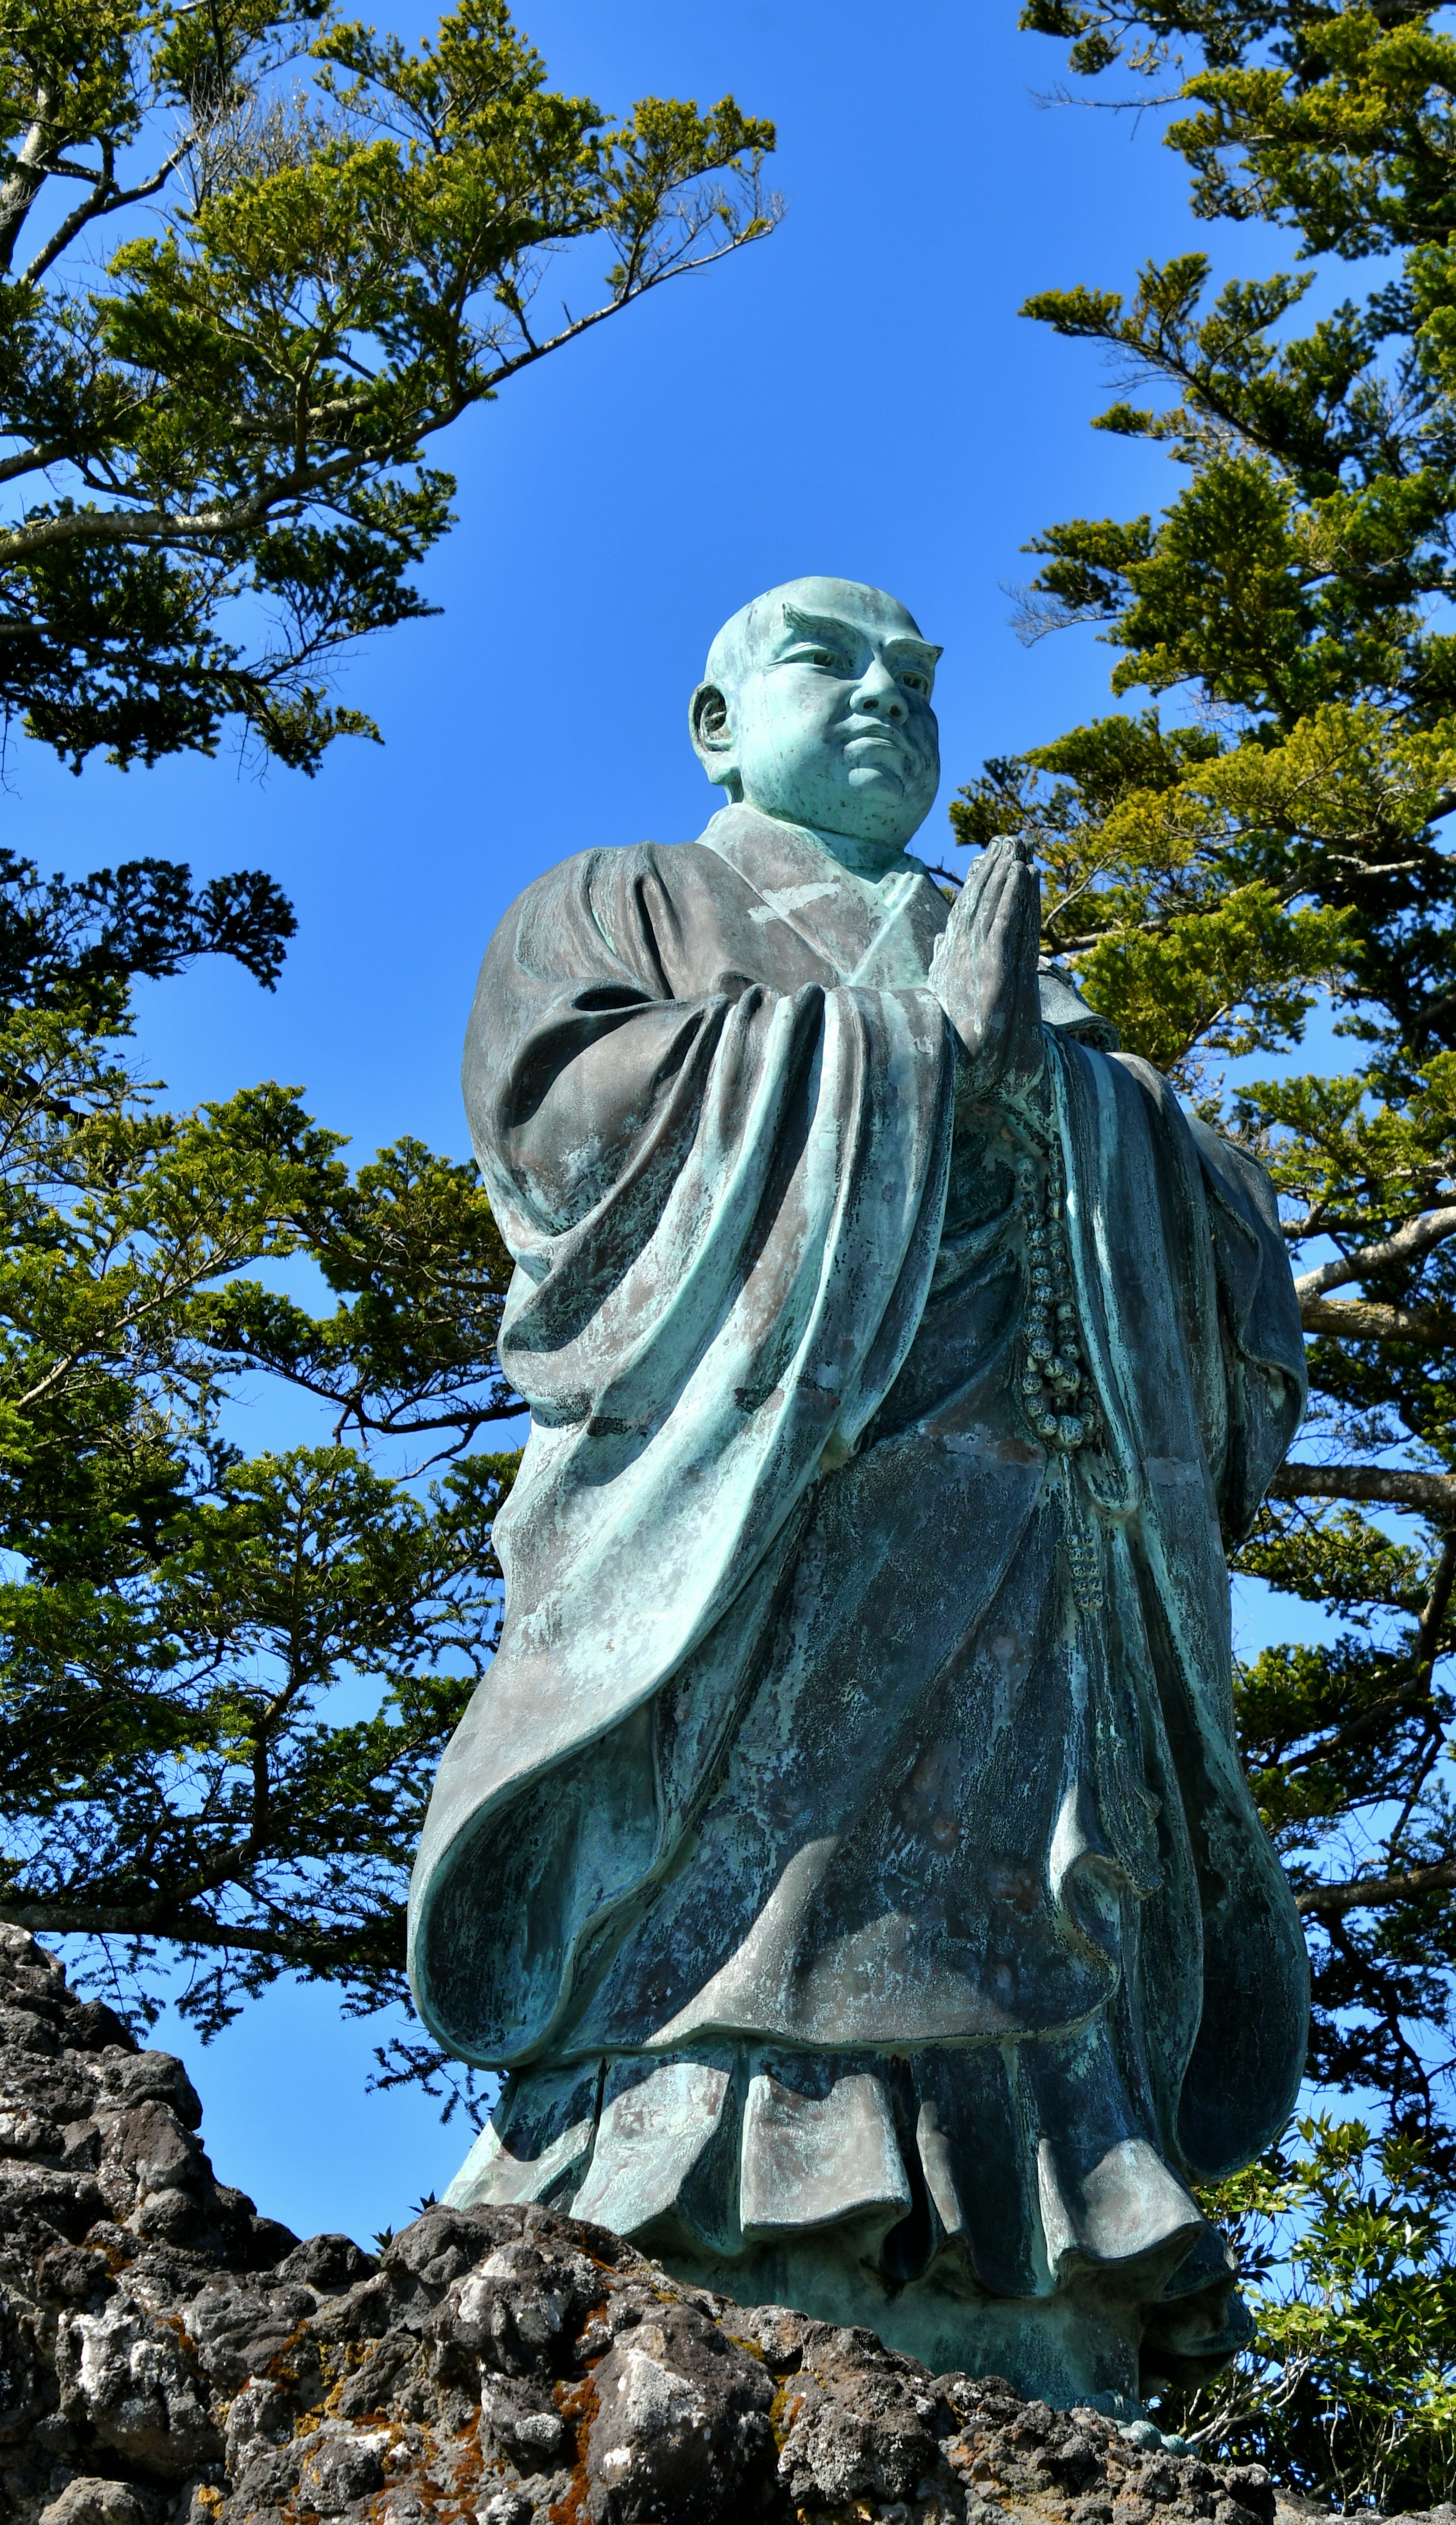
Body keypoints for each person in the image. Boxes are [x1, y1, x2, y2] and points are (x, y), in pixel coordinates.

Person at [407, 577, 1309, 2405]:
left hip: (1026, 1567)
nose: (890, 693)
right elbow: (565, 1122)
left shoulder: (1006, 946)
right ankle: (689, 2180)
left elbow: (1215, 1300)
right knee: (749, 1917)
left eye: (920, 674)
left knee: (1030, 1924)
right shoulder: (622, 905)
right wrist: (908, 1060)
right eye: (832, 661)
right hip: (752, 1547)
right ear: (717, 724)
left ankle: (1037, 2261)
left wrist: (1100, 1115)